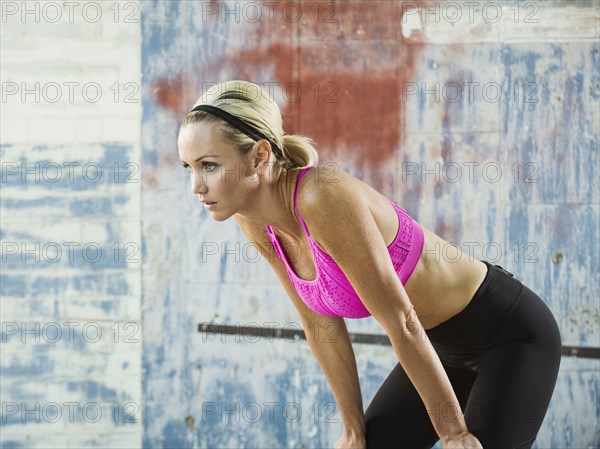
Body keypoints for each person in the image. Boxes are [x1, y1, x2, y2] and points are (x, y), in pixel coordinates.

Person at [177, 80, 562, 449]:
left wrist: (453, 433)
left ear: (259, 156)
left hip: (507, 334)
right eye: (188, 167)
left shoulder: (321, 196)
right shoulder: (254, 218)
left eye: (209, 165)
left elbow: (402, 319)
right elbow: (318, 323)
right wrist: (352, 429)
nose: (196, 185)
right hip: (438, 346)